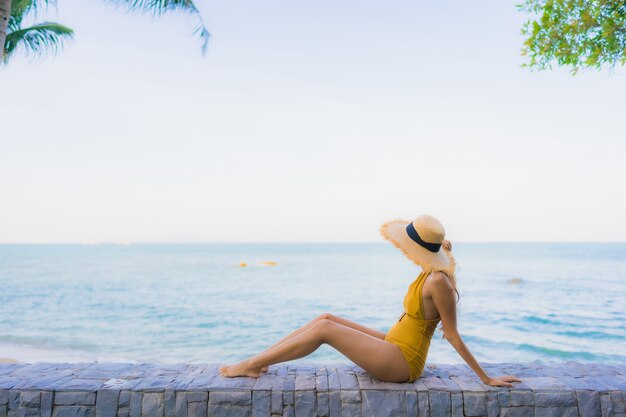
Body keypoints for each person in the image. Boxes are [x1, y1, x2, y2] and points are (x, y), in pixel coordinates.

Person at [219, 215, 522, 387]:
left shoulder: (438, 281)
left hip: (403, 362)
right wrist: (441, 245)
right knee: (325, 318)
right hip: (394, 343)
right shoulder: (431, 269)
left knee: (325, 331)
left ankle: (250, 365)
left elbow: (452, 335)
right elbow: (441, 251)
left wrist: (486, 378)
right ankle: (261, 359)